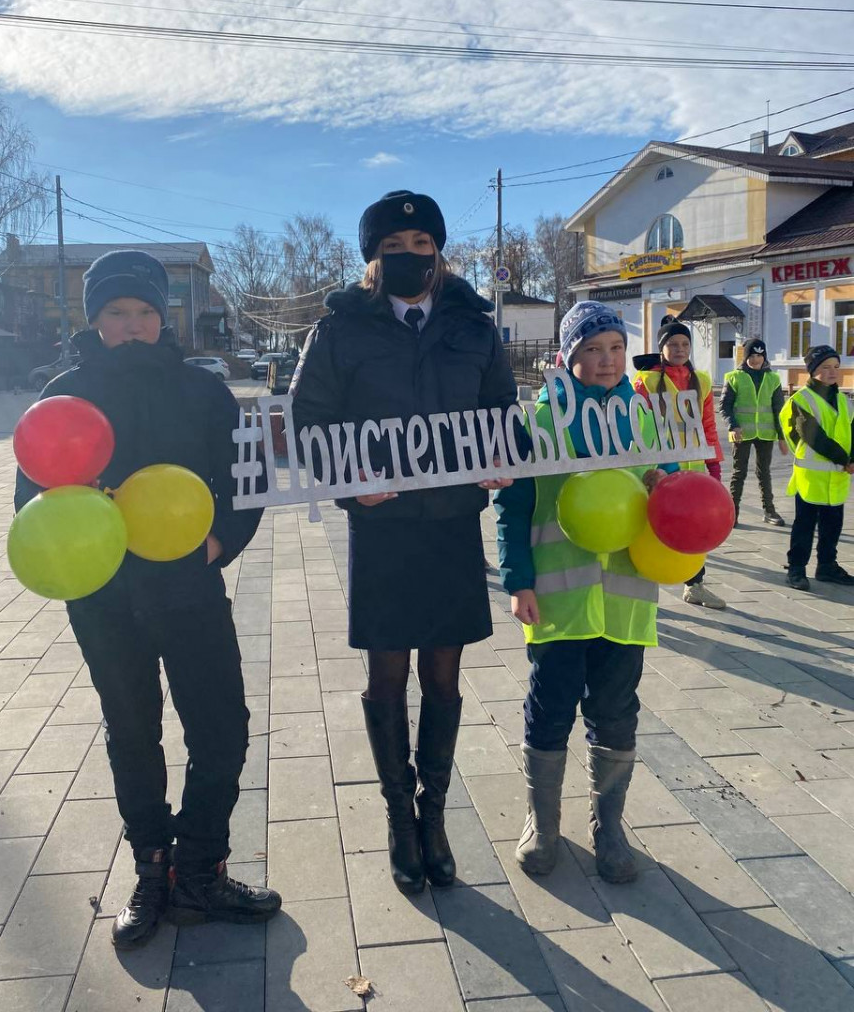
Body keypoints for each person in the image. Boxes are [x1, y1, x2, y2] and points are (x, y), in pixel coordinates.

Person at [14, 250, 281, 950]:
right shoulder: (61, 396)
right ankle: (150, 872)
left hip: (191, 589)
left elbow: (247, 480)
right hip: (104, 600)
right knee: (132, 733)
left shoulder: (205, 393)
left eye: (143, 312)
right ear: (95, 319)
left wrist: (221, 542)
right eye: (116, 313)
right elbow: (29, 500)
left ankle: (201, 869)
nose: (131, 325)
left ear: (165, 317)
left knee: (221, 729)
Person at [290, 190, 517, 894]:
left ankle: (435, 815)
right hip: (382, 528)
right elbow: (305, 423)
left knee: (443, 677)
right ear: (373, 258)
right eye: (395, 249)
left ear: (439, 253)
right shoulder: (338, 330)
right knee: (386, 675)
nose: (411, 258)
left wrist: (498, 459)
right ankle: (398, 819)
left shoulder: (474, 325)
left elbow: (502, 414)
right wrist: (346, 482)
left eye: (422, 248)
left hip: (451, 524)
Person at [494, 301, 675, 884]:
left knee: (616, 711)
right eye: (592, 350)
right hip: (557, 597)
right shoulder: (539, 423)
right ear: (568, 358)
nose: (606, 361)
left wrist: (663, 485)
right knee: (549, 709)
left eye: (616, 349)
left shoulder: (646, 419)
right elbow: (515, 506)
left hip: (625, 596)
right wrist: (518, 579)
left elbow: (674, 502)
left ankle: (610, 828)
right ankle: (541, 824)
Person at [633, 318, 726, 610]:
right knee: (650, 525)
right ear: (661, 348)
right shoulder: (645, 381)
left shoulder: (703, 380)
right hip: (658, 468)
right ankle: (642, 586)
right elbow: (636, 428)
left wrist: (714, 467)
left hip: (694, 469)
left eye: (685, 344)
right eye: (673, 344)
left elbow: (708, 425)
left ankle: (694, 585)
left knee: (695, 529)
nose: (680, 349)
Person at [780, 343, 854, 591]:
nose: (833, 372)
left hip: (837, 477)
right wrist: (845, 459)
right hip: (812, 476)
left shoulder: (843, 399)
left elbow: (851, 429)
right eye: (825, 367)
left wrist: (852, 458)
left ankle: (827, 566)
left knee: (833, 526)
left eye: (836, 366)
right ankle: (796, 569)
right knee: (804, 525)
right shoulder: (802, 399)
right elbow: (813, 436)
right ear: (812, 371)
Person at [720, 338, 788, 527]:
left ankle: (769, 510)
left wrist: (782, 437)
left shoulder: (773, 379)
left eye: (760, 355)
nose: (756, 359)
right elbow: (725, 406)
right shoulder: (734, 377)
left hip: (766, 434)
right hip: (741, 433)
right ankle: (733, 512)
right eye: (752, 355)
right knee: (739, 472)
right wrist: (733, 425)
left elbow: (779, 410)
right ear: (746, 356)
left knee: (764, 472)